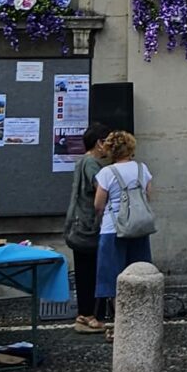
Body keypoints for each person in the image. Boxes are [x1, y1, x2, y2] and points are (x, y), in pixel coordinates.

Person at [92, 130, 153, 339]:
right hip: (138, 227)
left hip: (113, 229)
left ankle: (122, 326)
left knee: (114, 279)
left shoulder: (107, 173)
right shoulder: (141, 169)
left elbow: (98, 204)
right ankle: (141, 322)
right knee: (139, 274)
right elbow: (148, 195)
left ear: (111, 150)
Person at [63, 123, 111, 333]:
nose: (109, 147)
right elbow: (100, 189)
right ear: (99, 143)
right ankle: (88, 316)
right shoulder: (92, 164)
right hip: (89, 227)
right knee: (89, 272)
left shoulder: (83, 162)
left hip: (79, 225)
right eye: (107, 142)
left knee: (86, 271)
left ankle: (86, 314)